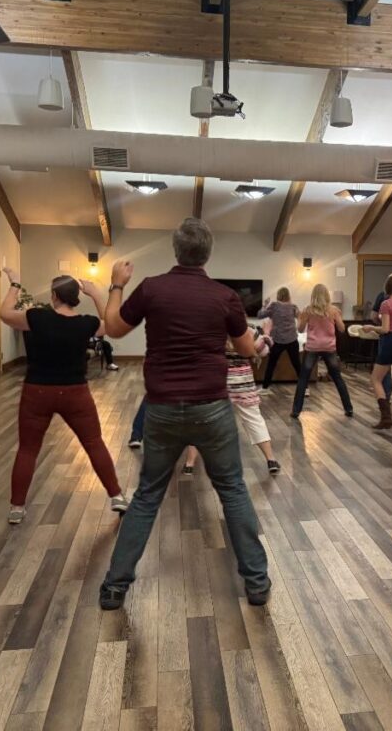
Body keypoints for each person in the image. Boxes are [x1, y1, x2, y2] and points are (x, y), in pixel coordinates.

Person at [100, 218, 270, 610]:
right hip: (211, 408)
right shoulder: (224, 296)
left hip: (161, 409)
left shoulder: (151, 289)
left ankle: (114, 587)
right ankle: (257, 584)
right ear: (207, 254)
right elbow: (246, 350)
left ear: (176, 251)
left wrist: (116, 284)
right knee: (232, 489)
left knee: (146, 497)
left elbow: (112, 328)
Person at [0, 269, 128, 525]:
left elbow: (4, 314)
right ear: (76, 296)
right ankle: (117, 496)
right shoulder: (86, 323)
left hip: (37, 391)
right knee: (94, 443)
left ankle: (16, 507)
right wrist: (96, 294)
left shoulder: (37, 317)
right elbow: (111, 327)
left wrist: (14, 283)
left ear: (54, 295)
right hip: (75, 393)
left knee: (28, 449)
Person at [183, 329, 280, 474]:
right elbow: (263, 351)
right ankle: (271, 459)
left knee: (200, 422)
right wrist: (266, 338)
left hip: (214, 382)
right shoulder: (247, 330)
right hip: (242, 383)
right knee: (254, 420)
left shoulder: (207, 328)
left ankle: (189, 464)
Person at [291, 284, 354, 420]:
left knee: (303, 378)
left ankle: (296, 411)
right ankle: (348, 408)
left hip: (312, 347)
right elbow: (342, 329)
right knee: (337, 378)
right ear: (327, 295)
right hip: (329, 347)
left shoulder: (308, 310)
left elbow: (300, 330)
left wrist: (301, 319)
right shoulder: (334, 311)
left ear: (313, 295)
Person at [362, 274, 392, 431]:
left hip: (389, 342)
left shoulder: (386, 304)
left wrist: (371, 328)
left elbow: (385, 329)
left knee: (376, 379)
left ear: (387, 288)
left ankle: (386, 417)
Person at [257, 287, 301, 394]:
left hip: (278, 340)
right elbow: (300, 317)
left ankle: (265, 388)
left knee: (271, 364)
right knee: (297, 364)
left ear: (278, 295)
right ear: (288, 295)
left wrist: (265, 304)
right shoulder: (293, 307)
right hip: (292, 339)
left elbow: (259, 315)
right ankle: (305, 388)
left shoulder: (274, 306)